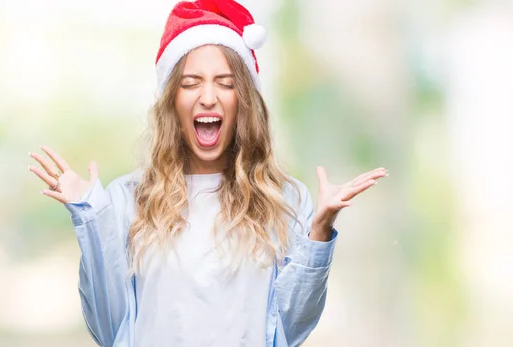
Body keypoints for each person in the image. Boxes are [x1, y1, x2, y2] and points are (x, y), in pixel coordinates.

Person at [28, 0, 388, 346]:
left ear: (243, 101)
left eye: (226, 83)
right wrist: (89, 217)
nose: (208, 96)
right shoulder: (128, 199)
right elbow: (110, 330)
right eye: (190, 83)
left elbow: (290, 330)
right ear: (172, 101)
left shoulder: (286, 200)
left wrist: (320, 232)